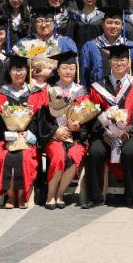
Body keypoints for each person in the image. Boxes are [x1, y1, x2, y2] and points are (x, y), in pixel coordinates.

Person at [82, 44, 133, 209]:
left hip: (130, 134)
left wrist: (128, 131)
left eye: (122, 59)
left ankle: (132, 196)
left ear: (128, 63)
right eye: (115, 59)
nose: (119, 63)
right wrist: (103, 133)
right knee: (95, 151)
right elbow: (93, 115)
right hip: (105, 134)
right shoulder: (98, 87)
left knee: (129, 151)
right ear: (109, 62)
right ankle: (95, 197)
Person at [0, 55, 47, 209]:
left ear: (27, 71)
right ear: (9, 72)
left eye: (22, 69)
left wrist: (28, 134)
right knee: (3, 156)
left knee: (26, 156)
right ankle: (10, 196)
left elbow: (41, 121)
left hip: (28, 138)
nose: (19, 73)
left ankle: (22, 195)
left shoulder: (36, 93)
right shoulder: (0, 94)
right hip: (6, 138)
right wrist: (8, 134)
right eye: (15, 69)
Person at [33, 52, 89, 209]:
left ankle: (60, 194)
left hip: (74, 137)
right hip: (54, 137)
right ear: (57, 70)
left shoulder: (81, 92)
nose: (68, 71)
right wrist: (55, 131)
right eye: (64, 68)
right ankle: (50, 195)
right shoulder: (49, 90)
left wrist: (78, 128)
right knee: (58, 155)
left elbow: (87, 119)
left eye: (72, 68)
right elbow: (41, 118)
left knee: (76, 154)